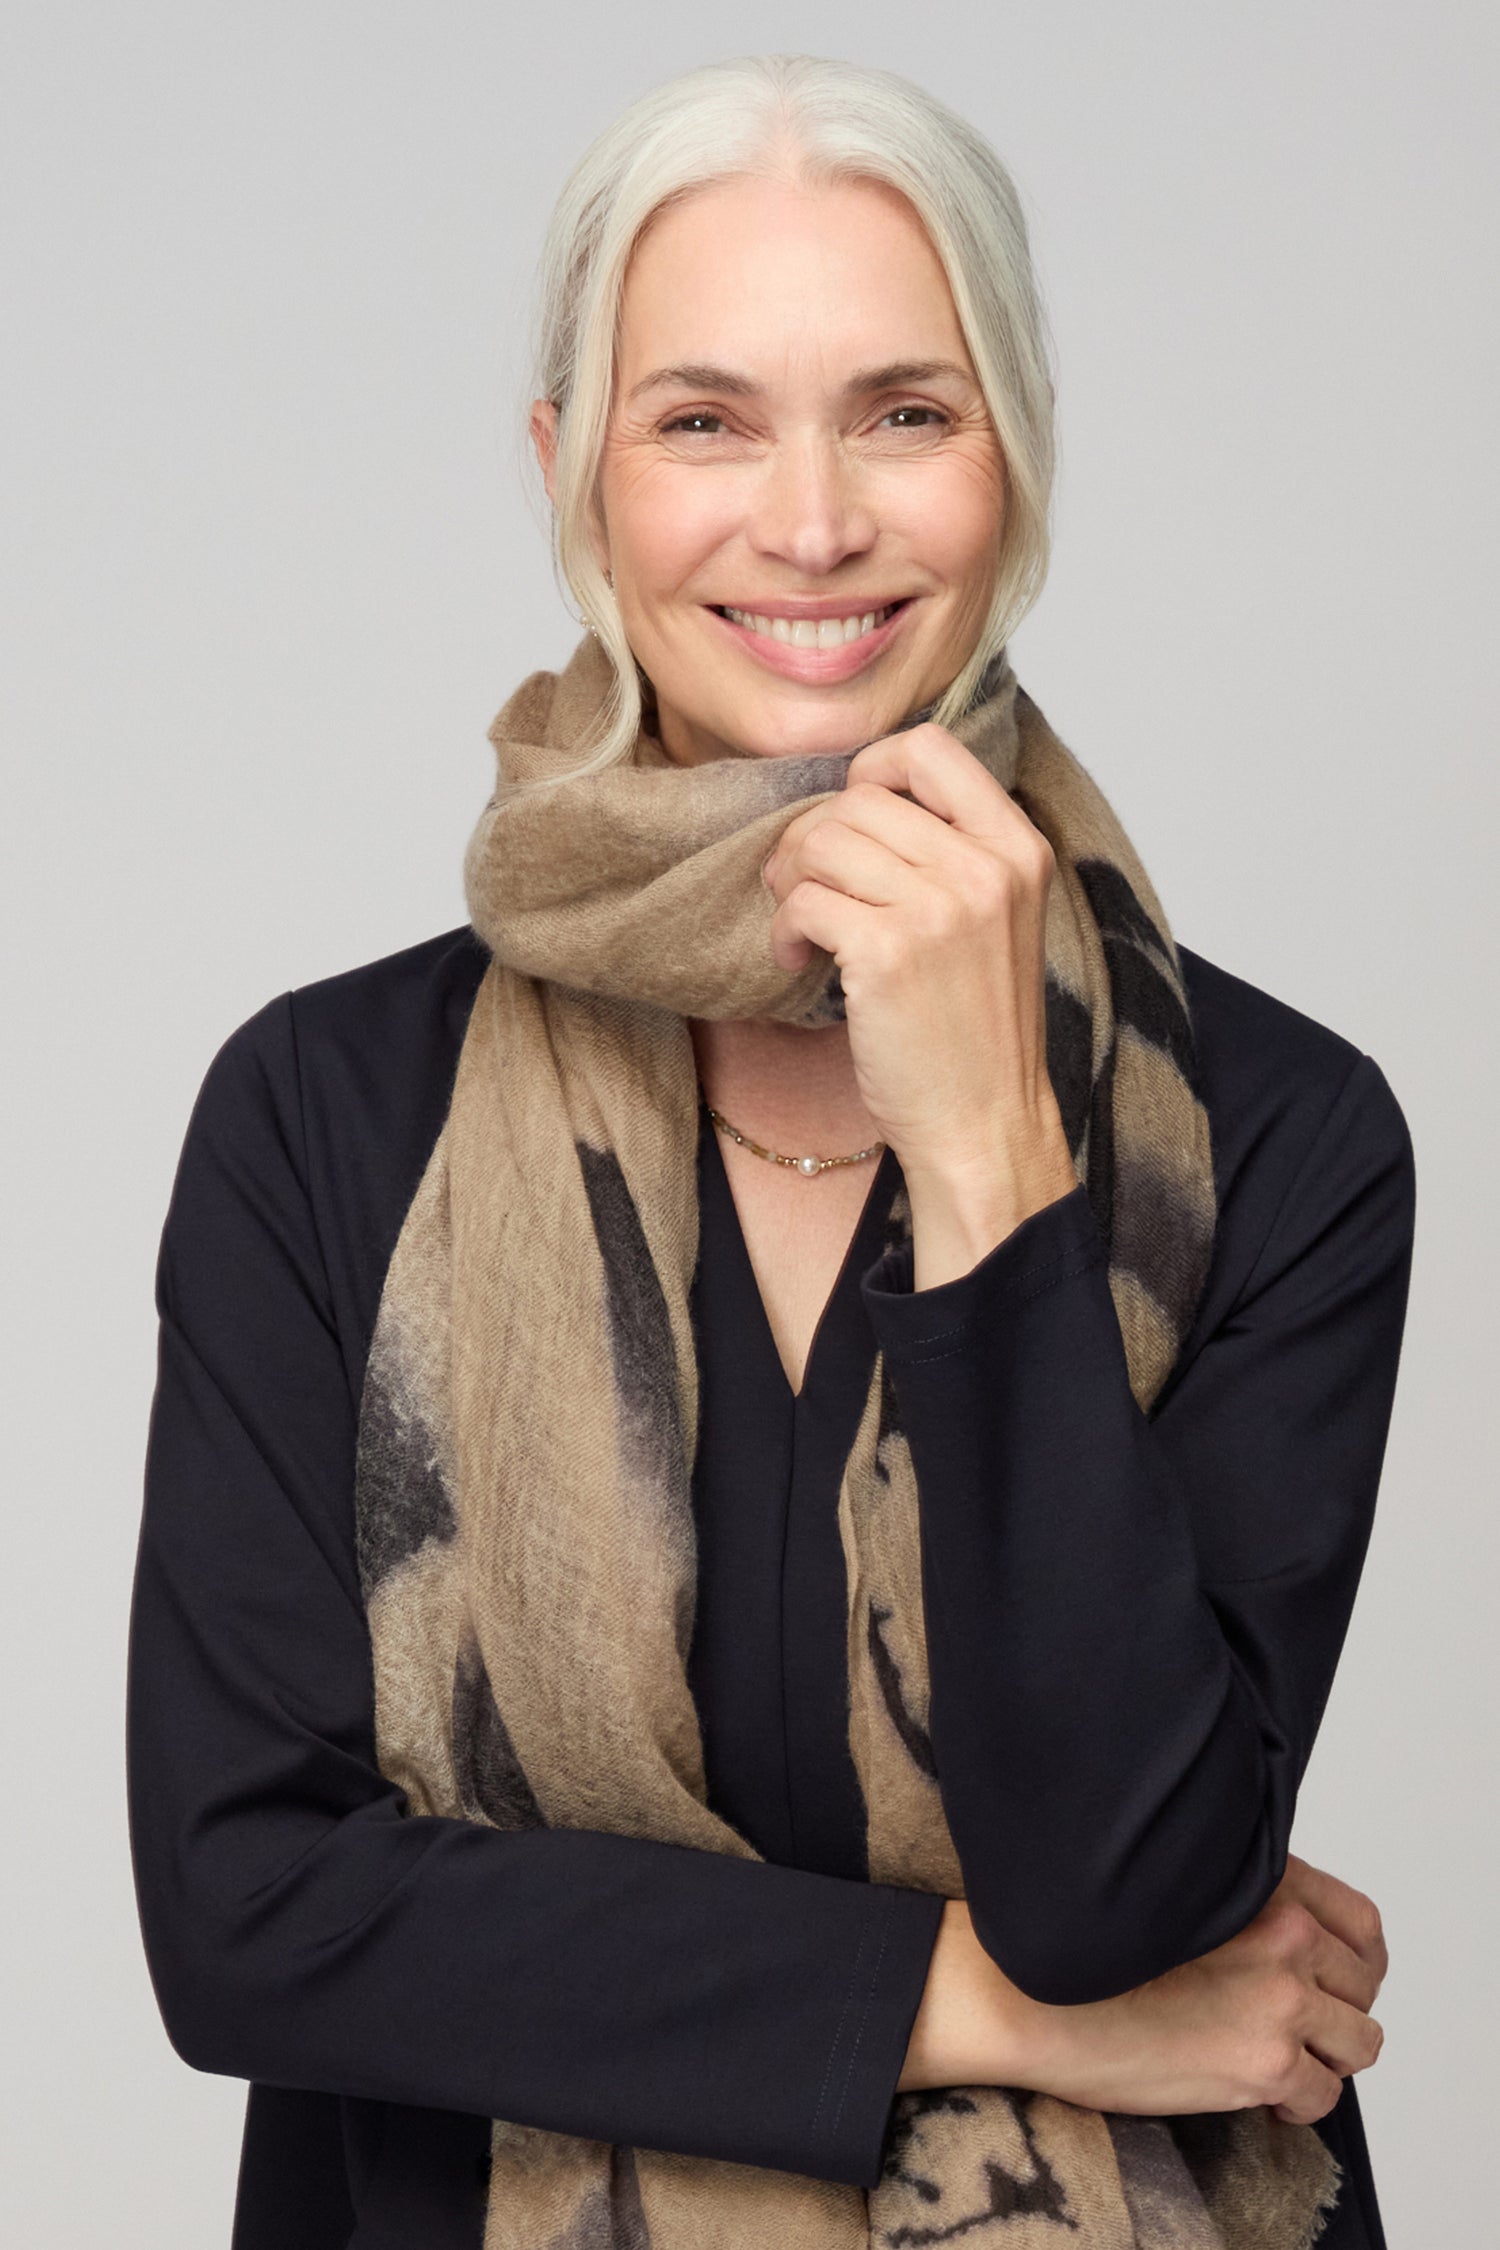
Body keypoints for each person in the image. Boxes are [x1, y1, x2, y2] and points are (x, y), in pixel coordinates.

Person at [126, 53, 1413, 2250]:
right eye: (702, 419)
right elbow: (257, 1909)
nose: (812, 523)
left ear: (1016, 457)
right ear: (571, 475)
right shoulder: (331, 1116)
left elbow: (1124, 1874)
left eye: (908, 412)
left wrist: (1000, 1154)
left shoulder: (1272, 1136)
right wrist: (997, 2011)